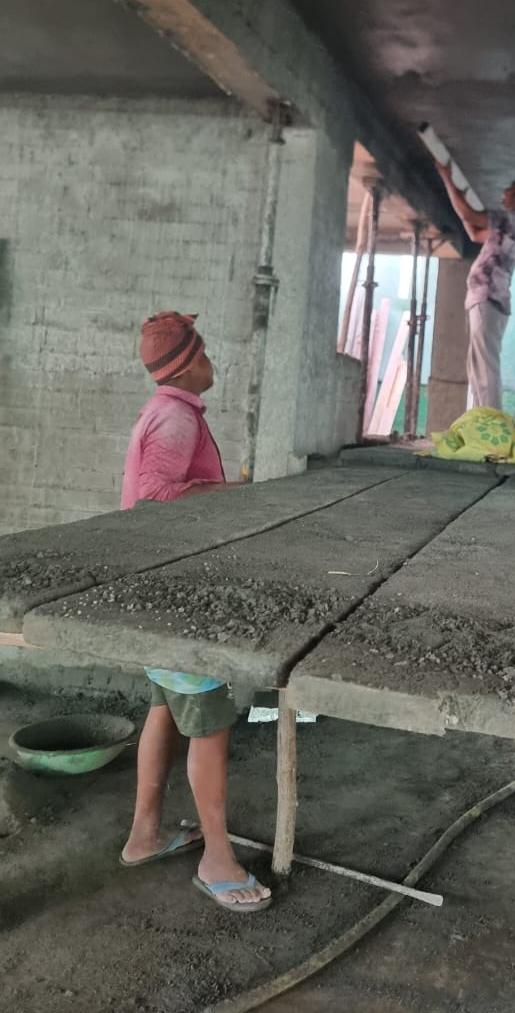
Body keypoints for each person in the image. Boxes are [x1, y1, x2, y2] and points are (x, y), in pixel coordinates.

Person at [119, 312, 272, 913]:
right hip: (177, 596)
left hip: (152, 589)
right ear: (186, 366)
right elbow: (157, 497)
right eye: (205, 354)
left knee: (163, 707)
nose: (213, 363)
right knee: (208, 722)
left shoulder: (162, 411)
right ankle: (217, 859)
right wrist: (242, 495)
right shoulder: (177, 419)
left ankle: (144, 834)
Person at [434, 163, 515, 410]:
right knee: (479, 366)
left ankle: (491, 419)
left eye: (509, 190)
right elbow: (475, 233)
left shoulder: (512, 219)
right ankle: (482, 417)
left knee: (485, 367)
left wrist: (447, 178)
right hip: (488, 299)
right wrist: (460, 196)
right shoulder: (514, 227)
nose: (504, 193)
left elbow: (469, 215)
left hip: (488, 298)